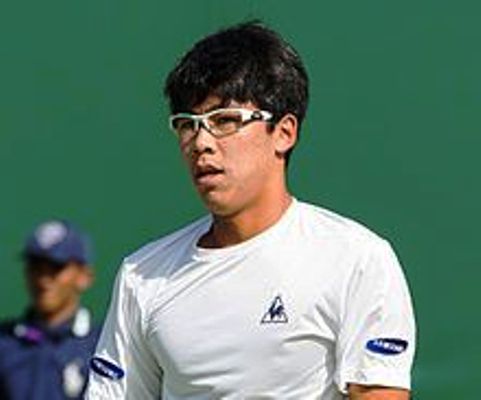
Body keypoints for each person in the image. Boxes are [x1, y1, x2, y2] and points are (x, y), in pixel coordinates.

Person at [86, 21, 416, 399]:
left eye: (224, 120)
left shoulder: (357, 258)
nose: (201, 143)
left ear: (284, 132)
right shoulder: (141, 276)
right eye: (187, 125)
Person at [0, 220, 100, 399]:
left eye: (56, 268)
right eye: (36, 267)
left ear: (84, 277)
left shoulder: (104, 347)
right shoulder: (4, 341)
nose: (43, 280)